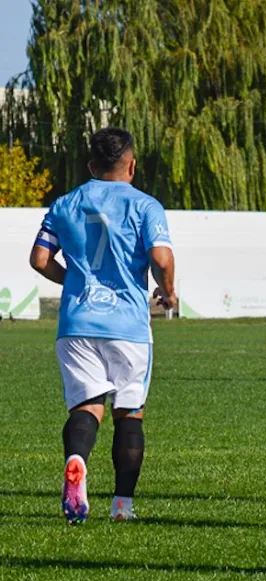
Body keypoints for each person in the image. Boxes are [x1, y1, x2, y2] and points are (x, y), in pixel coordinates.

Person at [28, 127, 177, 525]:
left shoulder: (64, 204)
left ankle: (77, 459)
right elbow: (161, 259)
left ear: (92, 166)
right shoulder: (146, 205)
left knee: (86, 407)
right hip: (127, 326)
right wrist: (169, 291)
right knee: (129, 413)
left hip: (76, 324)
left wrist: (75, 282)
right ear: (131, 165)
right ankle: (121, 506)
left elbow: (40, 259)